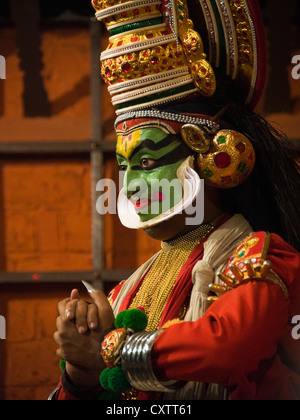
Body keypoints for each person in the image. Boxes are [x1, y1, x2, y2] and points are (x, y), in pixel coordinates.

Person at [50, 0, 300, 400]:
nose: (130, 185)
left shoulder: (260, 259)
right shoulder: (123, 294)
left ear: (212, 157)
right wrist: (80, 372)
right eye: (124, 166)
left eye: (146, 160)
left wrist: (112, 351)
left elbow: (229, 346)